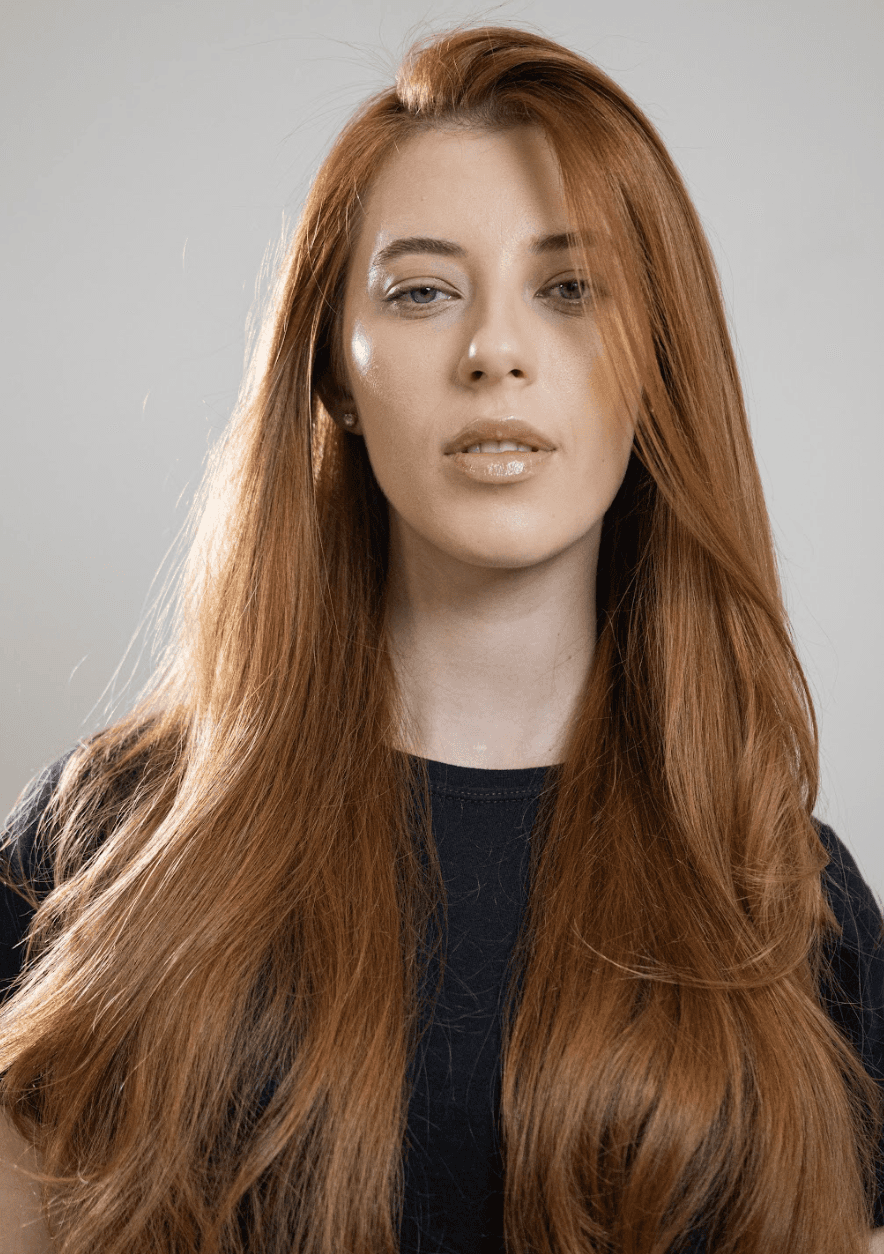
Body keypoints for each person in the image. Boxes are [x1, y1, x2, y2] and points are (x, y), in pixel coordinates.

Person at [1, 20, 883, 1254]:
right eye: (421, 291)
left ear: (655, 363)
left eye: (568, 290)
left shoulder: (788, 902)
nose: (494, 353)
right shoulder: (106, 847)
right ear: (334, 372)